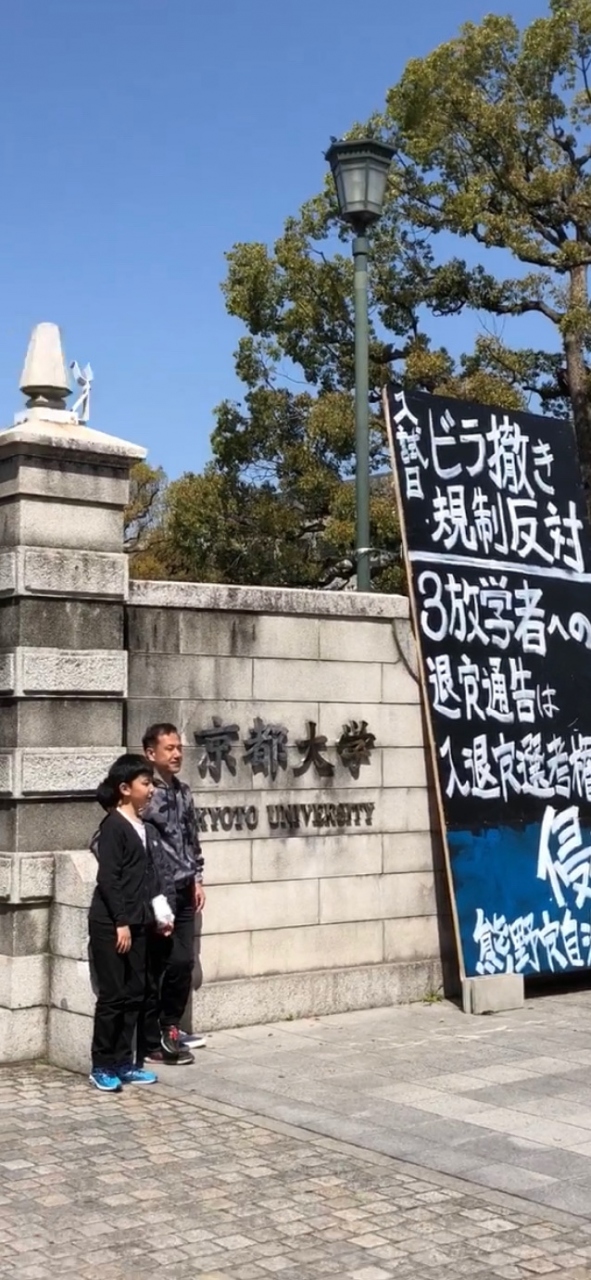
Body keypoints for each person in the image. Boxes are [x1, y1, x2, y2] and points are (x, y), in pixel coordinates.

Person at [88, 754, 169, 1092]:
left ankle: (125, 1062)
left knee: (135, 993)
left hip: (139, 921)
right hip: (111, 923)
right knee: (113, 996)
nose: (151, 790)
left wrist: (161, 915)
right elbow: (109, 879)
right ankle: (102, 1065)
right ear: (125, 788)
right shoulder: (113, 826)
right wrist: (120, 921)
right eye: (145, 783)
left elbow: (150, 877)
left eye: (151, 784)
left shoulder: (144, 828)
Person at [139, 723, 207, 1066]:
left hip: (184, 889)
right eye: (170, 748)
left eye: (179, 747)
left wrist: (197, 877)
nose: (178, 754)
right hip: (158, 894)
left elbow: (192, 838)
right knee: (156, 966)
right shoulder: (145, 794)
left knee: (183, 962)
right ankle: (151, 1038)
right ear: (151, 753)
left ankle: (171, 1028)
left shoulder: (183, 792)